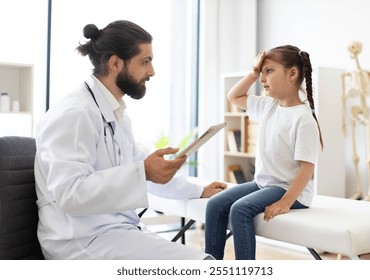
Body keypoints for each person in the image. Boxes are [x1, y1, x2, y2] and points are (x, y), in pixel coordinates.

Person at [34, 20, 227, 260]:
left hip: (115, 231)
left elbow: (139, 169)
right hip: (80, 240)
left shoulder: (117, 116)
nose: (152, 71)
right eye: (144, 62)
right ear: (115, 63)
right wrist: (143, 172)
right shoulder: (75, 114)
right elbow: (70, 194)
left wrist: (198, 190)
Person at [205, 45, 323, 260]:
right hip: (264, 184)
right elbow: (234, 96)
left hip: (288, 189)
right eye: (261, 72)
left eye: (268, 71)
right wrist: (252, 72)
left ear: (292, 74)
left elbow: (307, 169)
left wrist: (286, 202)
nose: (261, 78)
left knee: (239, 210)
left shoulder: (303, 119)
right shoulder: (269, 106)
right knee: (215, 204)